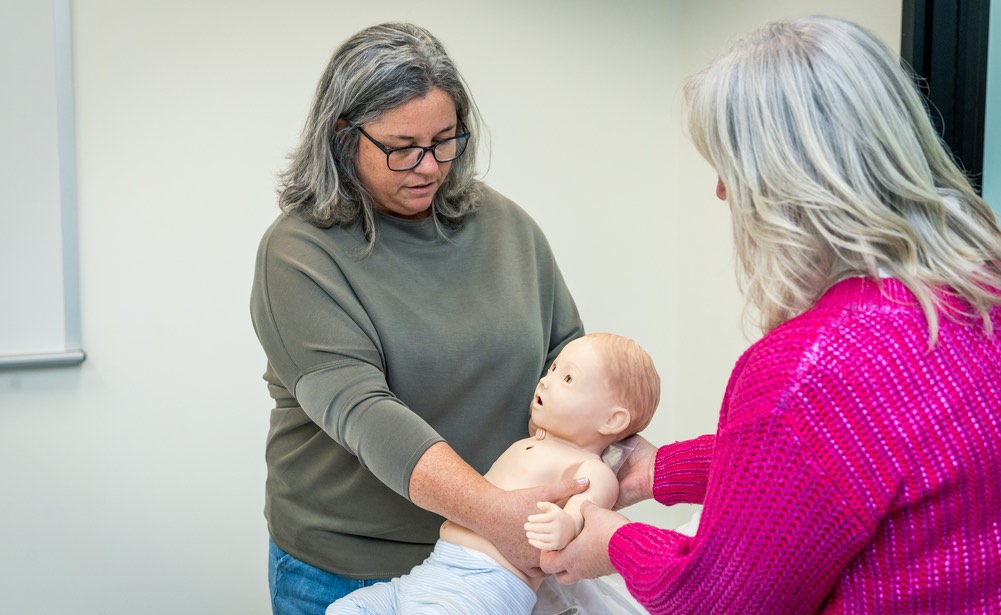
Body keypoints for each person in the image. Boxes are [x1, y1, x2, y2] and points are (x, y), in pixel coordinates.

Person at [540, 15, 1001, 614]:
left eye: (728, 168)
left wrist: (615, 543)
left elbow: (723, 602)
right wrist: (659, 471)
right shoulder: (977, 290)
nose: (721, 194)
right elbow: (838, 465)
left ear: (782, 180)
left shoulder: (810, 367)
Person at [250, 22, 587, 614]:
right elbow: (365, 413)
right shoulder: (300, 252)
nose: (429, 166)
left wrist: (616, 451)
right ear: (342, 136)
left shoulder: (506, 228)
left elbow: (569, 361)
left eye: (445, 140)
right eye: (402, 147)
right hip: (348, 569)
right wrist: (491, 512)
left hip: (493, 562)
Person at [326, 332, 660, 615]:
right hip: (431, 570)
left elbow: (585, 513)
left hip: (485, 587)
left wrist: (566, 524)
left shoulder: (593, 469)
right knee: (345, 608)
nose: (546, 379)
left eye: (568, 378)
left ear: (612, 421)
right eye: (553, 369)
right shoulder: (533, 442)